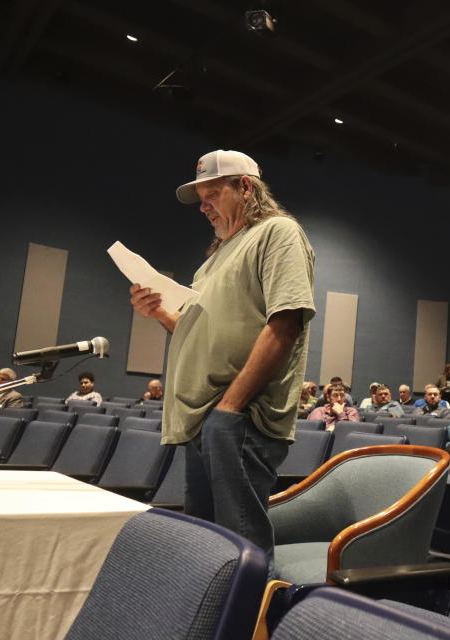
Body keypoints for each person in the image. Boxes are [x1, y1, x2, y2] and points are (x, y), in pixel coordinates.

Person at [128, 148, 315, 558]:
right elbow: (197, 333)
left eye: (212, 195)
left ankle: (252, 623)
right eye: (200, 200)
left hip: (239, 417)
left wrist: (230, 408)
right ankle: (216, 621)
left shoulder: (278, 233)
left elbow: (285, 323)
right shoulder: (211, 261)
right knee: (208, 546)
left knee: (241, 547)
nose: (203, 207)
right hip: (204, 418)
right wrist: (160, 311)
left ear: (245, 187)